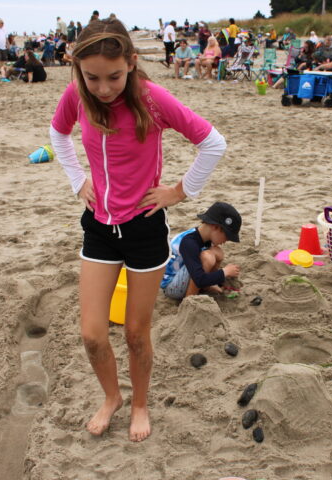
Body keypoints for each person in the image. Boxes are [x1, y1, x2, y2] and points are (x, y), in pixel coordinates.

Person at [48, 17, 227, 442]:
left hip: (145, 229)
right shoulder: (78, 94)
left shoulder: (151, 99)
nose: (104, 88)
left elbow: (212, 143)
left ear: (130, 62)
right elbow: (58, 134)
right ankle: (112, 398)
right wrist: (78, 181)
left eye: (113, 76)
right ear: (78, 70)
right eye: (92, 77)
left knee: (135, 333)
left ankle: (140, 403)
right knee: (92, 335)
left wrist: (180, 192)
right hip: (99, 226)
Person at [162, 202, 241, 300]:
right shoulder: (189, 242)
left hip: (185, 278)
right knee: (207, 257)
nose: (227, 240)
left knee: (217, 253)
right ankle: (190, 300)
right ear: (215, 227)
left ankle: (206, 286)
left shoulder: (205, 237)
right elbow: (199, 278)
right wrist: (224, 272)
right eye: (227, 236)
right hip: (172, 287)